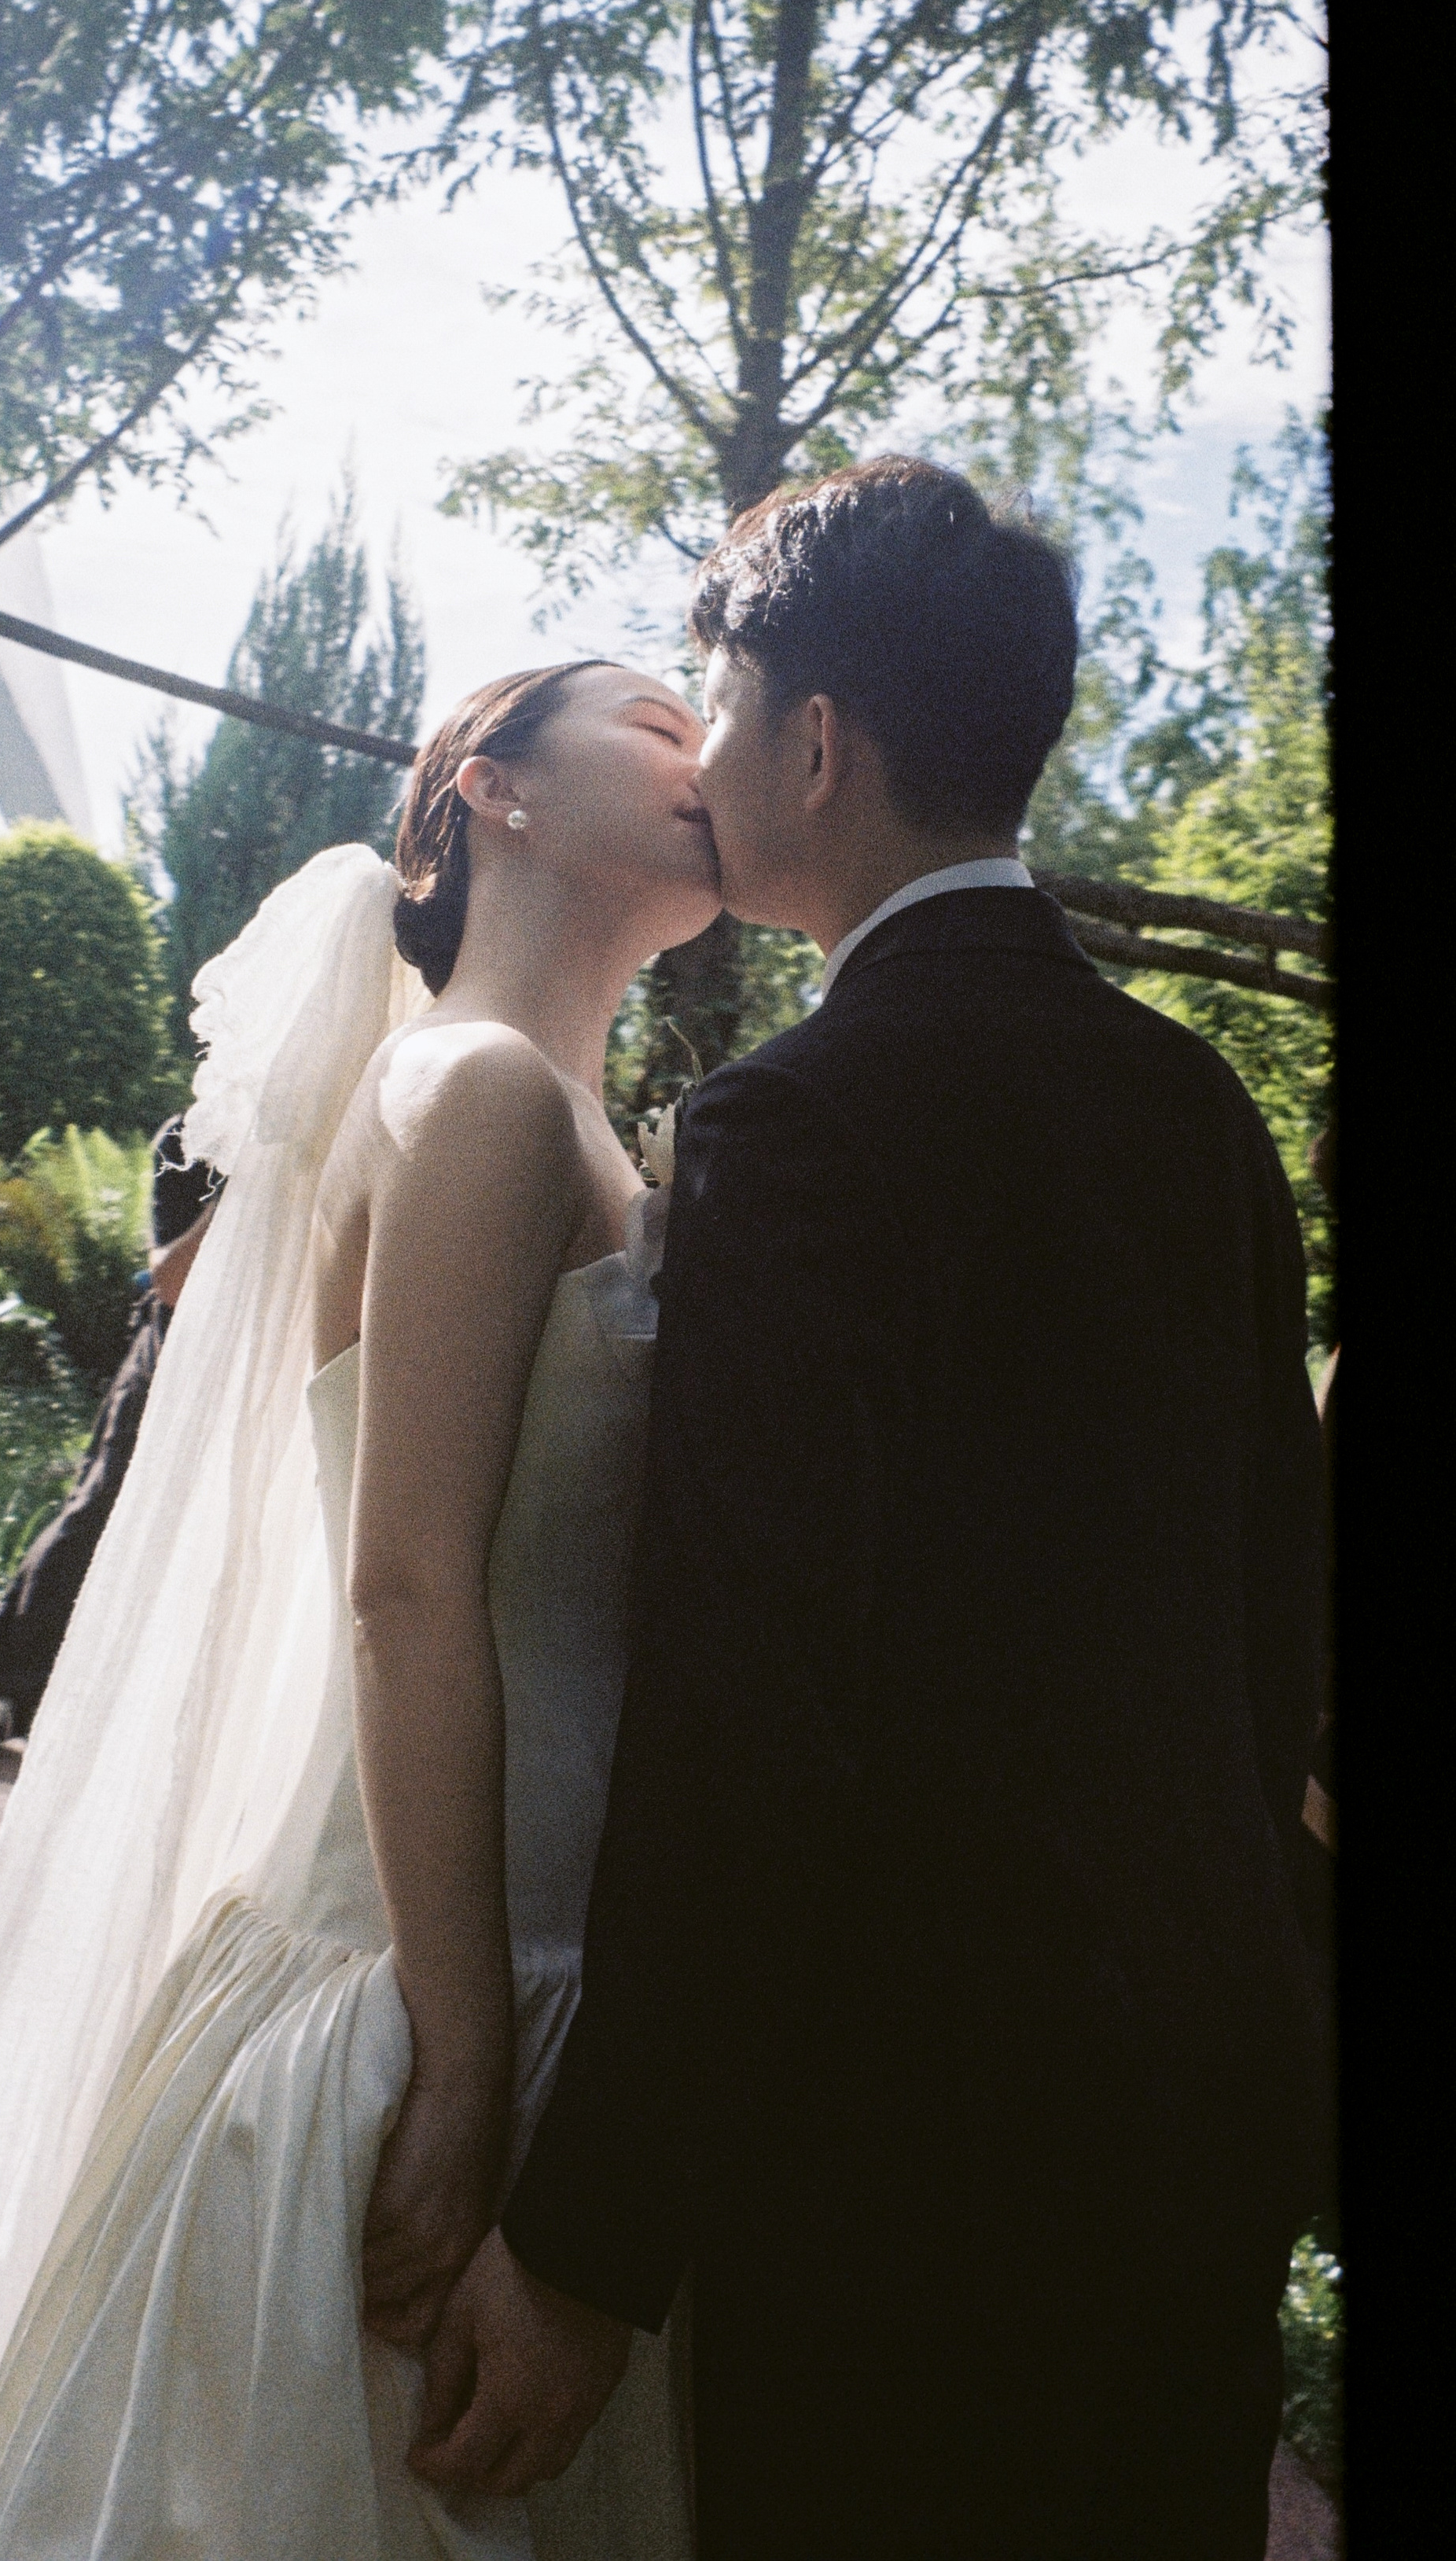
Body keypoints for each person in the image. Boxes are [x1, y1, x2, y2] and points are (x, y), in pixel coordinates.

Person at [412, 458, 1329, 2558]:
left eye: (720, 704)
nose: (696, 754)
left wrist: (586, 2244)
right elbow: (1269, 1635)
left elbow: (751, 1707)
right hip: (1200, 2115)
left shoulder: (800, 1125)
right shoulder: (1199, 1109)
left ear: (814, 743)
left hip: (913, 2163)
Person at [0, 662, 722, 2559]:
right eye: (653, 722)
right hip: (432, 1965)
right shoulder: (480, 1090)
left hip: (542, 1950)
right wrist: (460, 2054)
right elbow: (404, 1585)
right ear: (493, 788)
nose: (702, 750)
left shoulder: (587, 1126)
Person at [0, 1117, 220, 1762]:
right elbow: (171, 1279)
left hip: (275, 1377)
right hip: (168, 1362)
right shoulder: (191, 1136)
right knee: (96, 1511)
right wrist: (238, 1198)